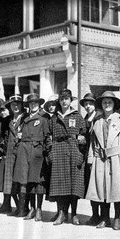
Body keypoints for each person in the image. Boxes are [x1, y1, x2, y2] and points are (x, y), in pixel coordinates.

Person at [86, 91, 120, 230]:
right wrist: (90, 159)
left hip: (116, 158)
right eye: (105, 102)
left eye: (110, 102)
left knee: (116, 189)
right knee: (102, 189)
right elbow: (92, 143)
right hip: (100, 159)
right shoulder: (97, 121)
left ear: (114, 105)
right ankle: (105, 218)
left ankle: (117, 218)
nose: (107, 105)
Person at [49, 89, 86, 225]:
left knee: (74, 186)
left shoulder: (77, 117)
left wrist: (80, 152)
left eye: (67, 99)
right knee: (59, 186)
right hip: (58, 152)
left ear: (71, 100)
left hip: (73, 151)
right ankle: (61, 213)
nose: (64, 101)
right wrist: (50, 152)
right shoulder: (54, 118)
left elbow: (84, 136)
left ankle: (74, 214)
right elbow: (48, 136)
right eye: (62, 99)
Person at [13, 93, 50, 221]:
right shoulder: (25, 119)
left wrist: (46, 152)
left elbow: (47, 137)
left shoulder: (44, 118)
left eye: (35, 103)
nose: (33, 105)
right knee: (27, 181)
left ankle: (39, 209)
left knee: (38, 182)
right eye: (30, 103)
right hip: (24, 150)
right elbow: (19, 134)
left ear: (39, 104)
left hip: (37, 151)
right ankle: (32, 208)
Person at [0, 95, 26, 215]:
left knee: (21, 180)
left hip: (21, 150)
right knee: (9, 180)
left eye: (18, 104)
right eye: (13, 104)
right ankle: (12, 205)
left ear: (22, 105)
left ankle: (23, 208)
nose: (15, 106)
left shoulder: (26, 118)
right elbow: (4, 137)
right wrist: (0, 150)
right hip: (9, 152)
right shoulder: (7, 120)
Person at [79, 92, 100, 226]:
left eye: (90, 104)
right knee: (91, 186)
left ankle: (102, 215)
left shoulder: (98, 117)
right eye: (86, 104)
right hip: (87, 154)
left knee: (98, 185)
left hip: (97, 154)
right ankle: (94, 214)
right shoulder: (85, 117)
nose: (88, 106)